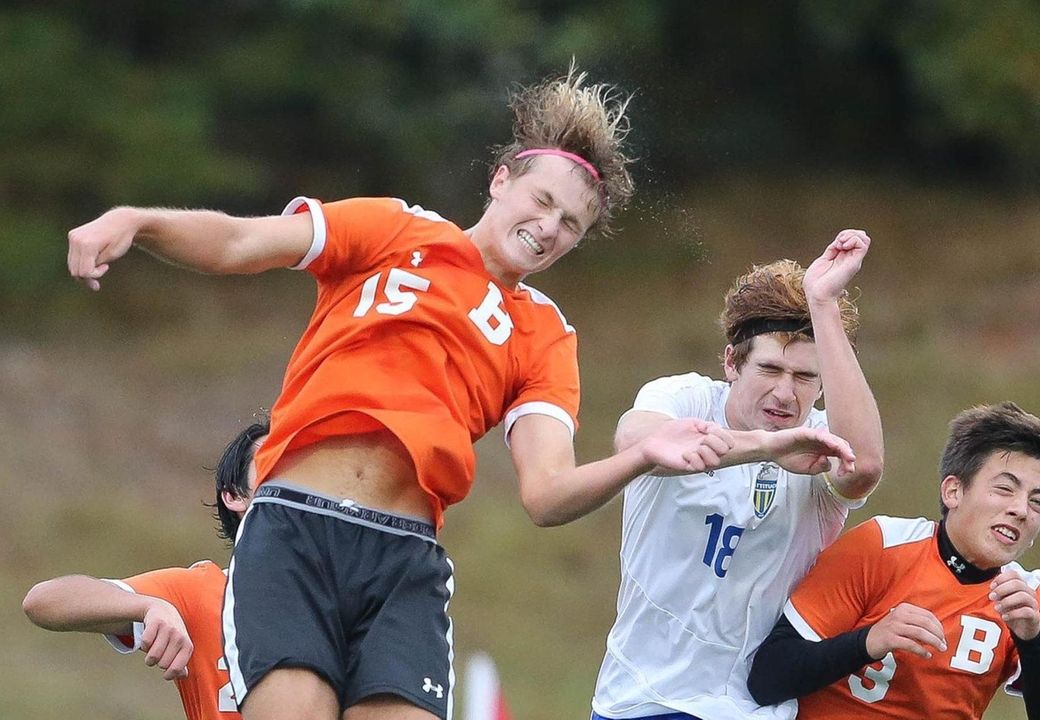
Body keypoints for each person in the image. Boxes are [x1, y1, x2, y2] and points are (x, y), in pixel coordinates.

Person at [66, 68, 735, 720]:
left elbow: (547, 493)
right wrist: (137, 219)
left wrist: (644, 457)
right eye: (543, 201)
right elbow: (242, 241)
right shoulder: (397, 231)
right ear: (501, 181)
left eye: (571, 224)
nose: (551, 226)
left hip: (403, 559)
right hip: (296, 529)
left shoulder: (545, 336)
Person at [590, 230, 885, 720]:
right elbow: (639, 444)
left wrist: (823, 303)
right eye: (770, 369)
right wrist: (769, 448)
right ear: (731, 362)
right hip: (644, 700)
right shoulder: (682, 398)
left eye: (805, 377)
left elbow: (866, 467)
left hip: (757, 709)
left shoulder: (820, 439)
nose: (786, 395)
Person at [748, 402, 1040, 720]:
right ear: (953, 492)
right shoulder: (881, 546)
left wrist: (1031, 641)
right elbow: (767, 678)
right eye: (1005, 488)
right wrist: (869, 641)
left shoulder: (1029, 601)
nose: (1021, 510)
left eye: (1038, 503)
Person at [23, 421, 268, 720]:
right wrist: (149, 606)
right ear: (234, 496)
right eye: (272, 462)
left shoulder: (338, 596)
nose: (292, 480)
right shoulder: (200, 592)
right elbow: (43, 601)